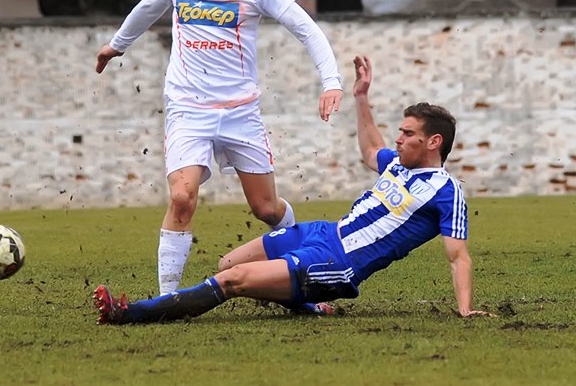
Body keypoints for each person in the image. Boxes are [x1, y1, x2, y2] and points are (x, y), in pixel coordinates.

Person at [92, 55, 493, 324]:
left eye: (407, 134)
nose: (398, 139)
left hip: (338, 262)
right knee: (227, 264)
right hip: (322, 232)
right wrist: (361, 97)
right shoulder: (399, 165)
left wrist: (465, 310)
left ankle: (129, 313)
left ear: (434, 142)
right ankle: (306, 303)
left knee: (232, 283)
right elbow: (371, 149)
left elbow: (458, 256)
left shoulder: (446, 191)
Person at [95, 0, 343, 296]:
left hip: (240, 111)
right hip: (187, 107)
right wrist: (116, 45)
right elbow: (148, 7)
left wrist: (331, 82)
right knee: (182, 197)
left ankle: (302, 259)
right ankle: (168, 298)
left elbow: (307, 30)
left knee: (266, 209)